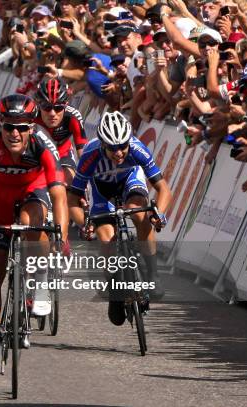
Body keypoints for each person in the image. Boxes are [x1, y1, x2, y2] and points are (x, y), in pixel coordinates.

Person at [0, 94, 68, 375]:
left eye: (22, 127)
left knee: (32, 222)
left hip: (32, 192)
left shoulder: (43, 145)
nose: (15, 133)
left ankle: (41, 278)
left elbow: (59, 196)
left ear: (32, 127)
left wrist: (62, 239)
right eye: (9, 126)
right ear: (0, 124)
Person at [67, 112, 171, 325]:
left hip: (130, 181)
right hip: (101, 190)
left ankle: (152, 274)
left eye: (123, 146)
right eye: (113, 148)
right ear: (103, 144)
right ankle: (115, 288)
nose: (119, 152)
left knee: (138, 211)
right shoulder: (90, 155)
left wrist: (158, 214)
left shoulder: (137, 148)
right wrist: (83, 222)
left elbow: (163, 189)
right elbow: (72, 199)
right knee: (106, 240)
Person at [34, 77, 87, 234]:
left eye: (58, 108)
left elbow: (83, 154)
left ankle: (69, 237)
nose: (52, 113)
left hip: (62, 155)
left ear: (66, 105)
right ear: (38, 105)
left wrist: (83, 186)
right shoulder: (30, 115)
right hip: (35, 159)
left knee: (70, 183)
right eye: (46, 107)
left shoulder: (73, 117)